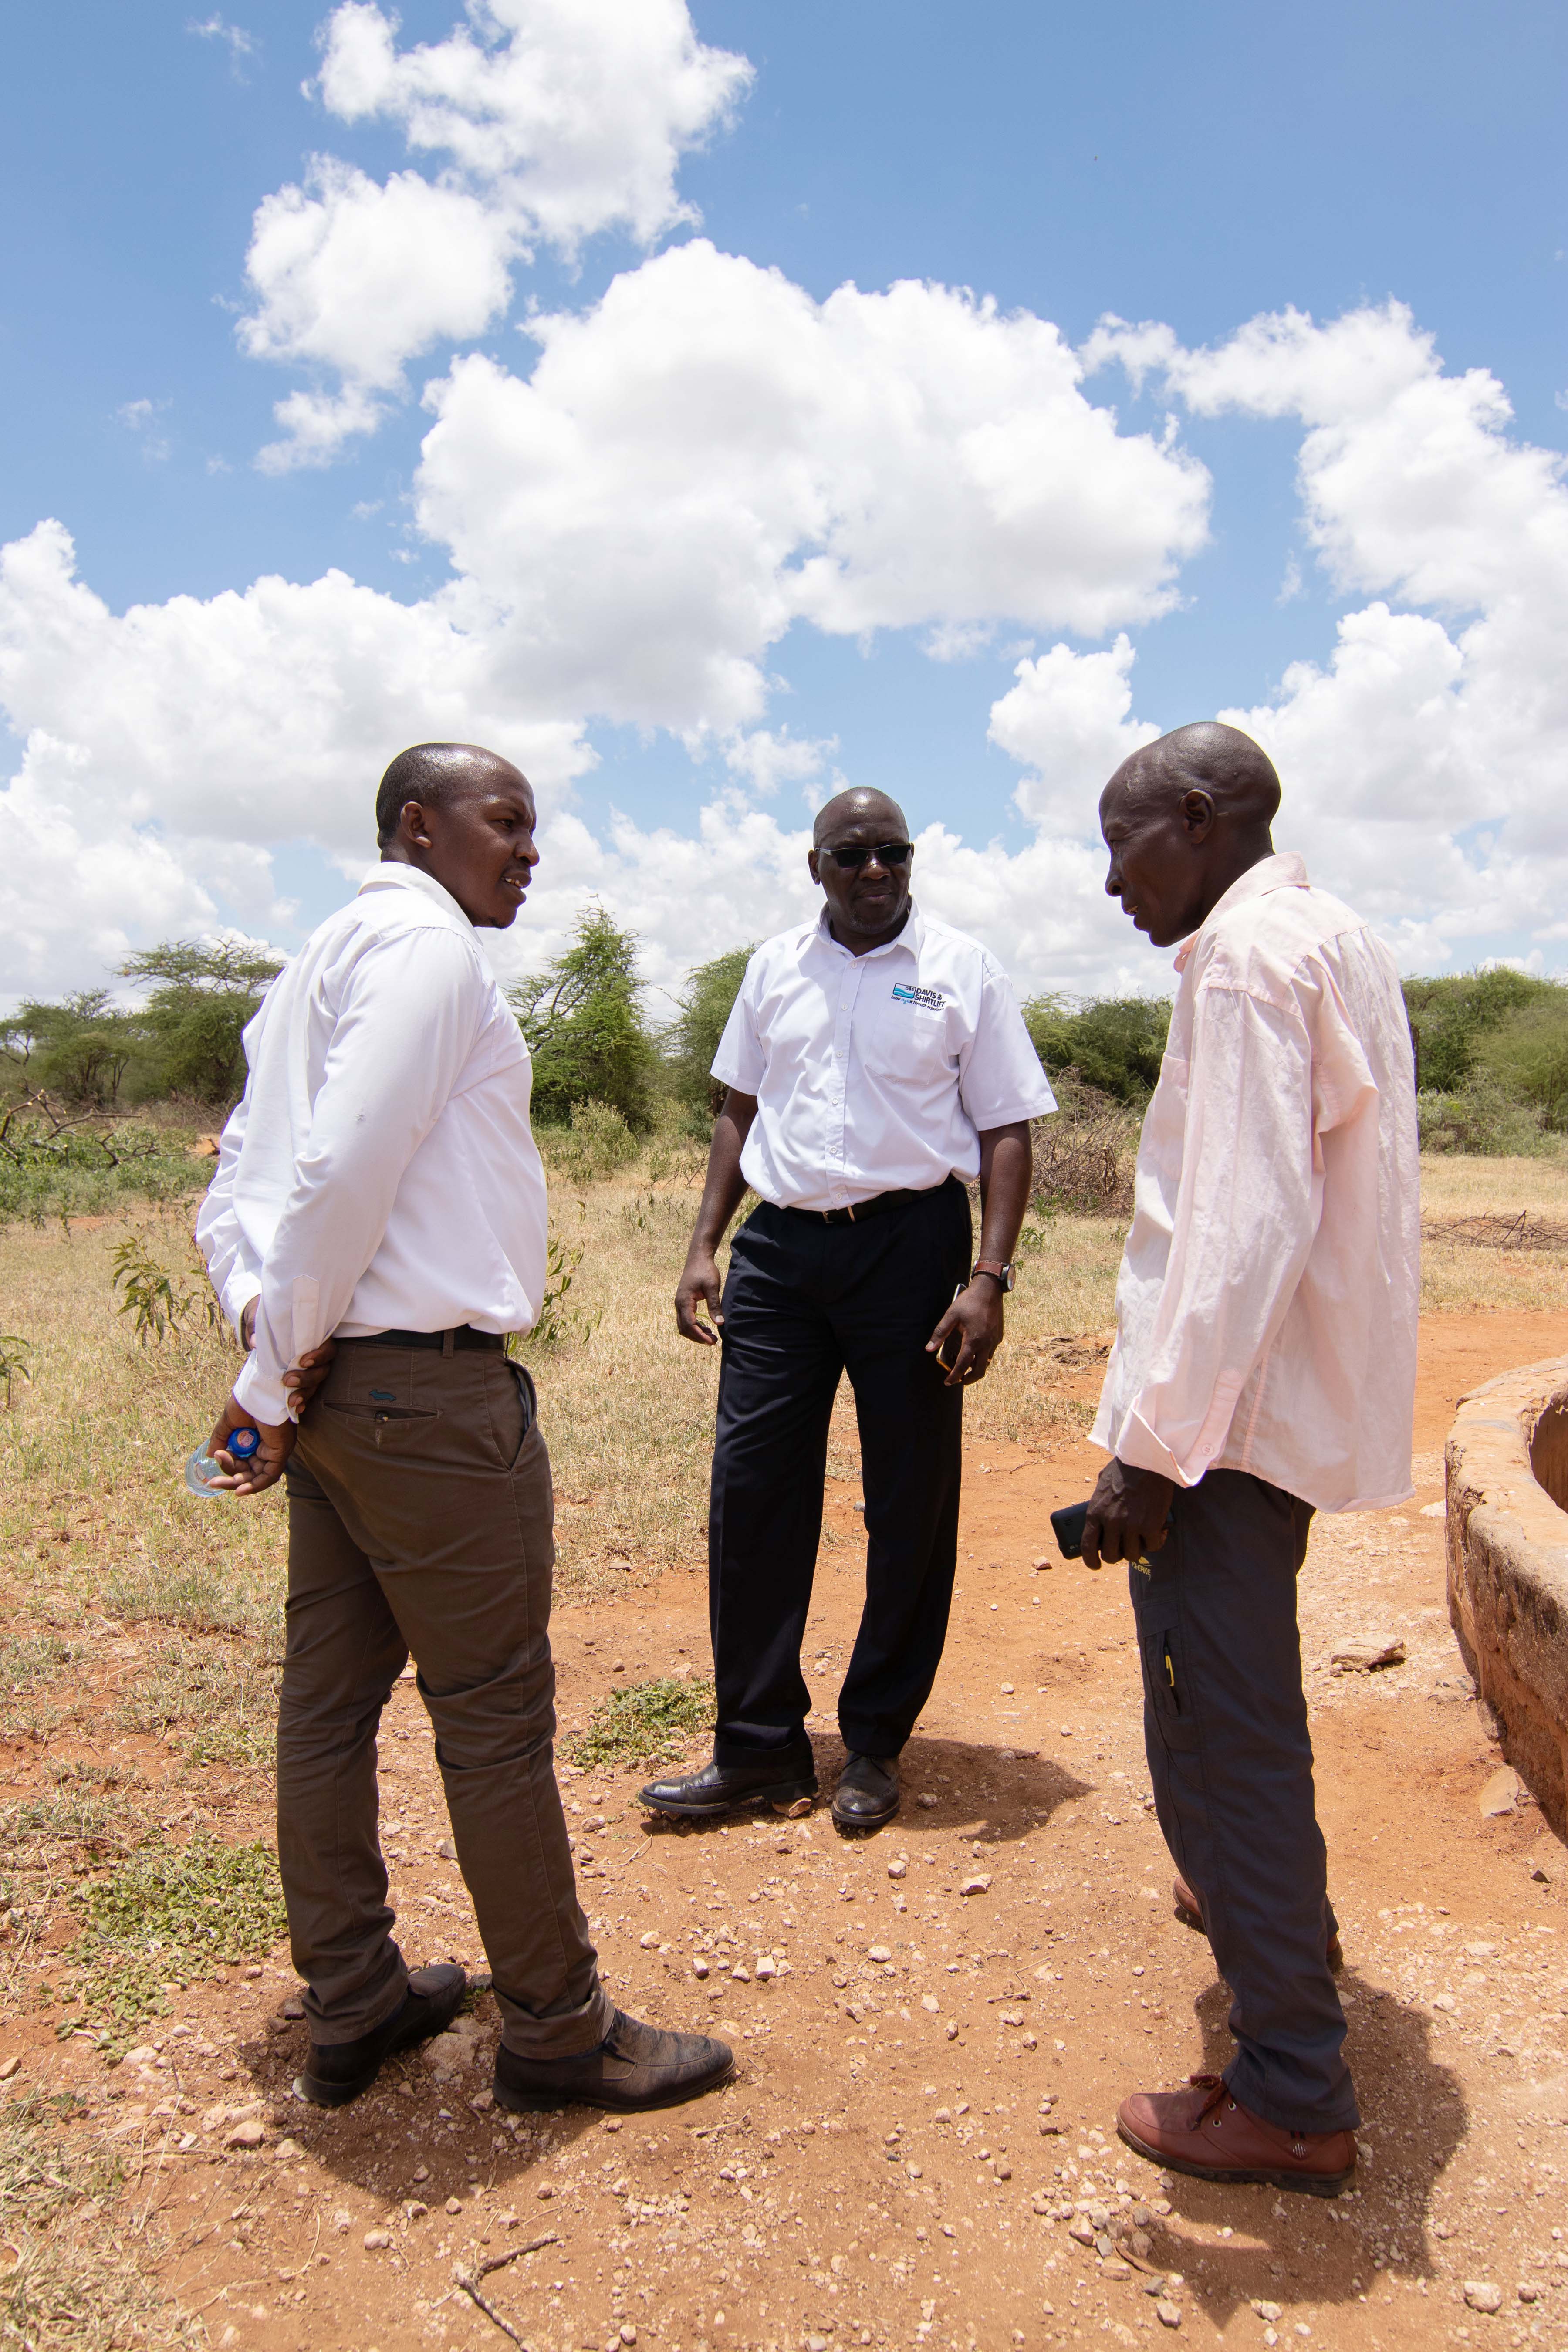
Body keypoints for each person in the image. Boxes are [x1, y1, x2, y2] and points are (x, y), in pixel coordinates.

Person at [196, 741, 730, 2115]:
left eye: (533, 826)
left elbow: (241, 1181)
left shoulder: (313, 966)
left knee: (326, 1706)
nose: (531, 850)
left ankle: (354, 1996)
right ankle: (557, 2027)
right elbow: (337, 1173)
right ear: (418, 826)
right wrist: (272, 1371)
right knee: (491, 1717)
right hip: (421, 1401)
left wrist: (270, 1345)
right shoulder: (429, 954)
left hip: (335, 1397)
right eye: (506, 821)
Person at [1081, 722, 1418, 2197]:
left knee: (1224, 1733)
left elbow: (1238, 1231)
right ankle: (1265, 1913)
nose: (1112, 883)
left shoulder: (1242, 962)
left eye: (1124, 843)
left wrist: (1153, 1454)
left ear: (1203, 818)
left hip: (1220, 1435)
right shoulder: (1332, 934)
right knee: (1236, 1715)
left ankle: (1290, 2091)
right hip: (1269, 1419)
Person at [640, 787, 1056, 1834]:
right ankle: (758, 1748)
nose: (876, 872)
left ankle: (874, 1738)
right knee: (751, 1493)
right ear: (815, 865)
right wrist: (703, 1244)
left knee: (908, 1498)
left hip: (911, 1250)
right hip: (780, 1252)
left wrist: (989, 1279)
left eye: (894, 853)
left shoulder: (962, 969)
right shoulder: (774, 968)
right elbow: (739, 1107)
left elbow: (1008, 1127)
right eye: (853, 855)